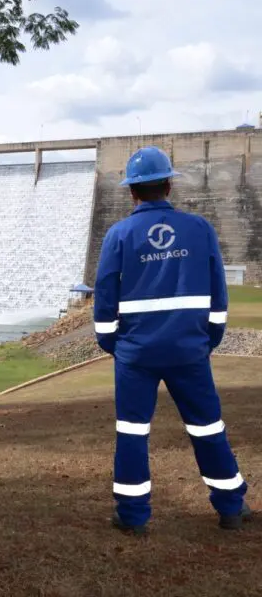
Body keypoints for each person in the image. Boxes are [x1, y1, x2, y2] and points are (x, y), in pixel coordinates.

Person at [94, 146, 250, 534]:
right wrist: (208, 338)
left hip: (136, 353)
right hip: (189, 350)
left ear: (132, 191)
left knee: (132, 430)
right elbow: (218, 294)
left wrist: (113, 343)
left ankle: (133, 517)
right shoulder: (199, 229)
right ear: (168, 185)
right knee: (208, 427)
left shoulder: (119, 234)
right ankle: (231, 508)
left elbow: (105, 296)